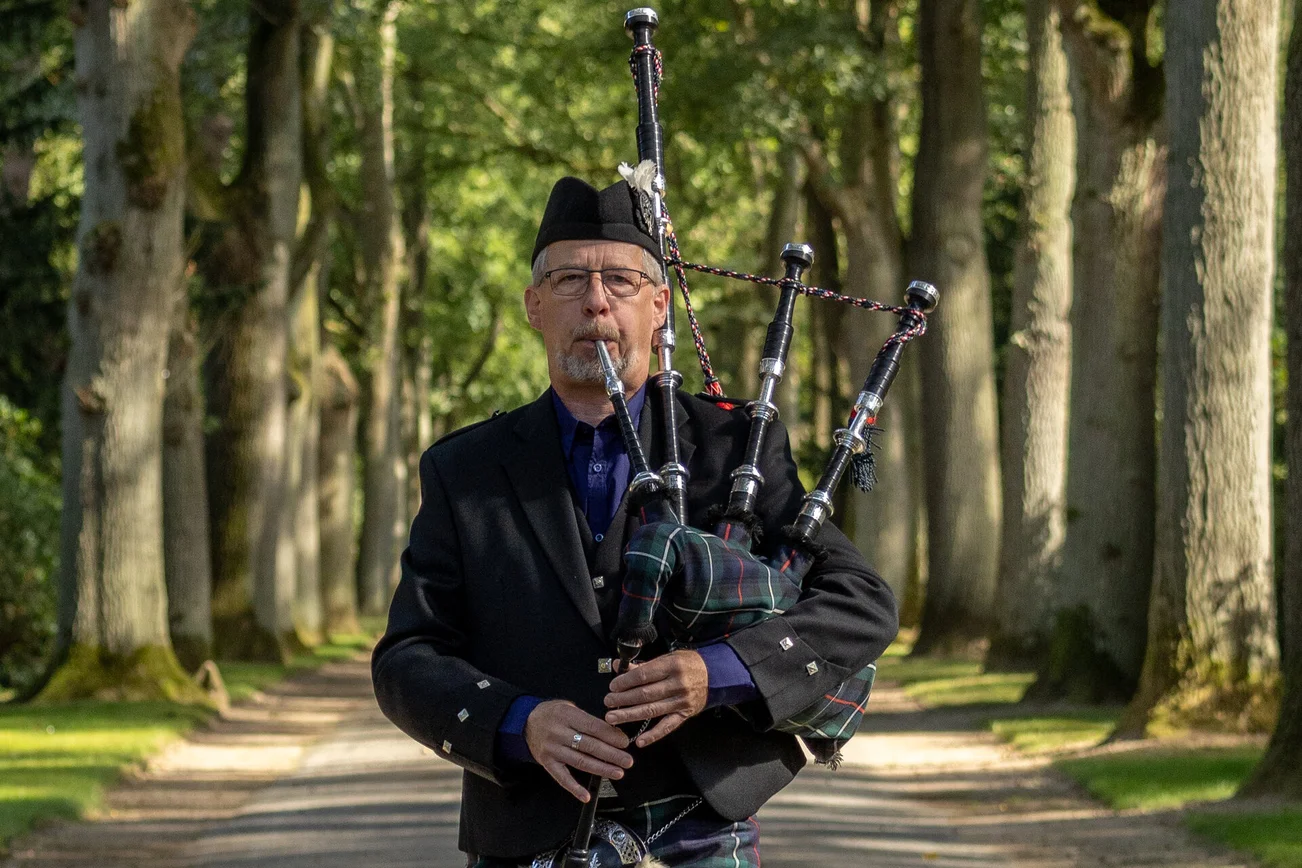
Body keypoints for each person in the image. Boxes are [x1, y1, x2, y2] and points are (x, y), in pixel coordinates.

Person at [371, 174, 899, 867]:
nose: (595, 300)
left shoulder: (733, 447)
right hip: (523, 833)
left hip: (699, 830)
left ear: (658, 307)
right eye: (568, 280)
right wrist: (519, 722)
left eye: (620, 280)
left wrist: (719, 670)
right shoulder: (465, 469)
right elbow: (407, 657)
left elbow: (861, 603)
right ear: (534, 306)